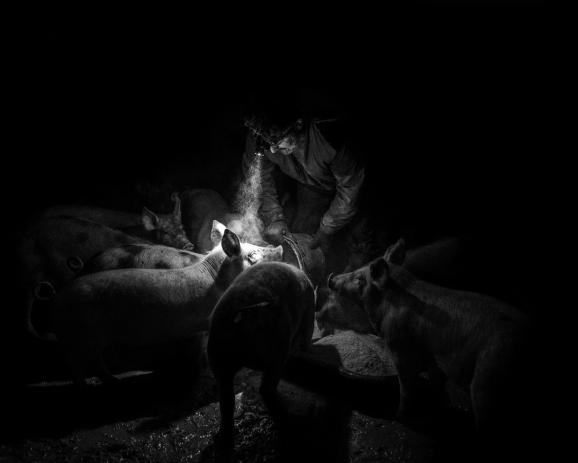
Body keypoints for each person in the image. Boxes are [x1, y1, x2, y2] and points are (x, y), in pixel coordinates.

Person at [242, 110, 365, 257]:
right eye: (268, 143)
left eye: (278, 141)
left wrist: (327, 228)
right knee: (304, 241)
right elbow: (261, 179)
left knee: (360, 243)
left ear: (298, 124)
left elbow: (350, 189)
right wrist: (274, 217)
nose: (273, 149)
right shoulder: (260, 135)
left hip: (359, 192)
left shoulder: (327, 134)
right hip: (312, 187)